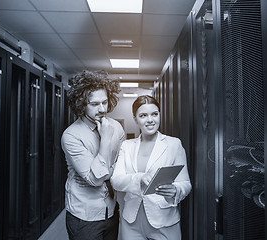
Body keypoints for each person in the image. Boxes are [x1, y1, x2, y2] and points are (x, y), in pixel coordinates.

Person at [111, 95, 192, 240]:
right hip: (131, 221)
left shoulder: (174, 144)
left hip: (164, 220)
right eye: (143, 115)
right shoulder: (127, 146)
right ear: (135, 119)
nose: (150, 120)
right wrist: (141, 178)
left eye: (154, 114)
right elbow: (116, 181)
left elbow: (185, 183)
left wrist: (176, 190)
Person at [61, 70, 125, 240]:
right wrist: (105, 140)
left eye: (104, 102)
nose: (102, 109)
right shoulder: (71, 135)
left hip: (112, 209)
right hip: (84, 215)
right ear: (81, 104)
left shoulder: (116, 127)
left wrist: (109, 171)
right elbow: (95, 179)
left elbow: (124, 166)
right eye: (95, 104)